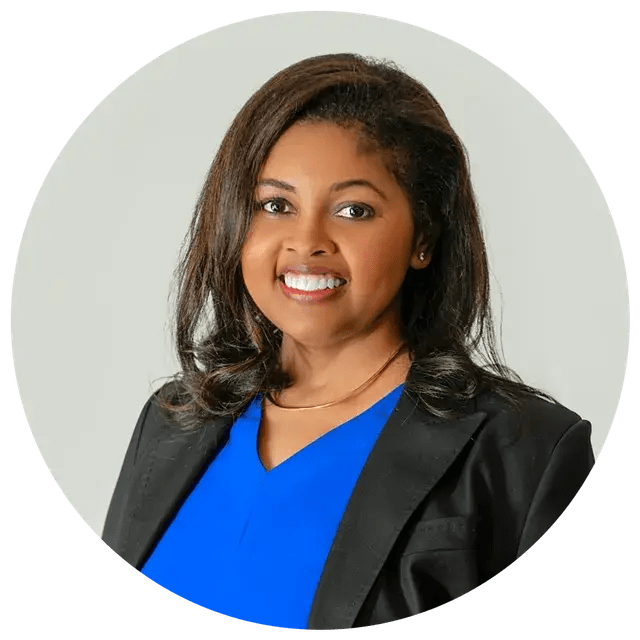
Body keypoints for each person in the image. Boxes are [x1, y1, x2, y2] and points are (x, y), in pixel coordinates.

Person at [102, 53, 594, 630]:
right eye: (275, 205)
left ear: (423, 237)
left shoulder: (525, 454)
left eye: (353, 210)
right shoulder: (173, 421)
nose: (306, 241)